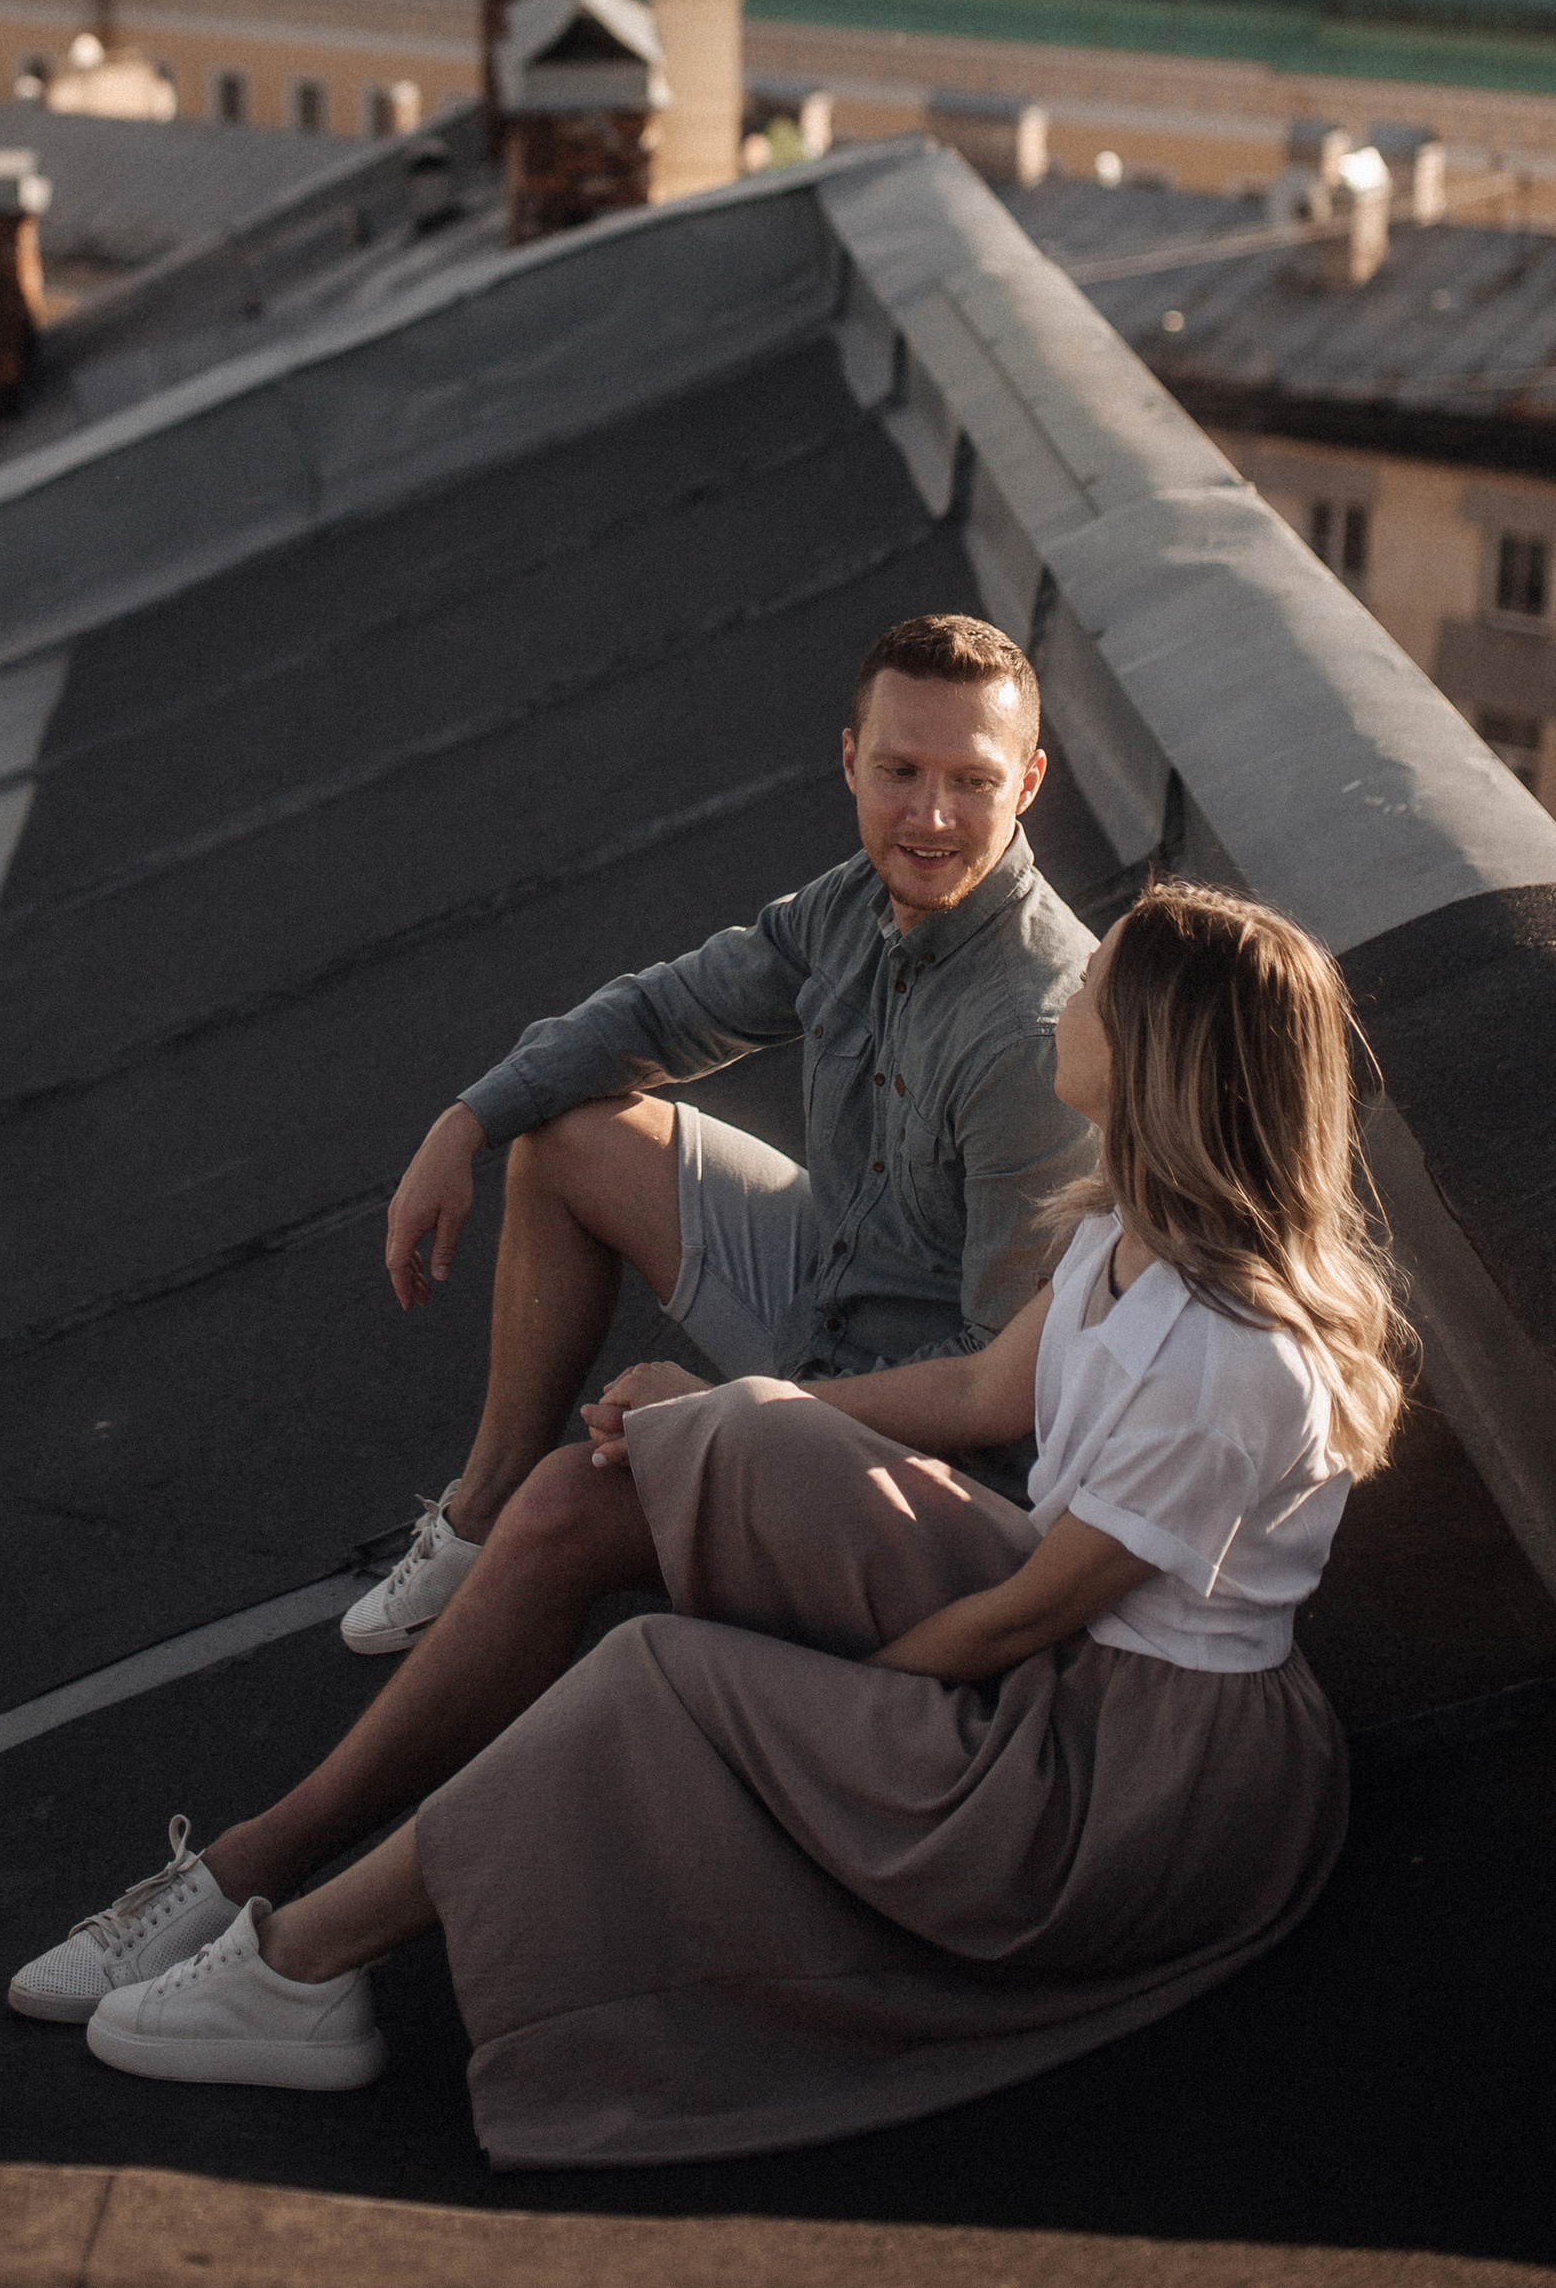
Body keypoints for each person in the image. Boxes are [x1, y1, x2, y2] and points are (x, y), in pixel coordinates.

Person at [39, 883, 1406, 2163]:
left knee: (662, 1682)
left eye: (1095, 997)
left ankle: (306, 1968)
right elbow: (983, 1386)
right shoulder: (1129, 1224)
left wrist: (807, 1708)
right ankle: (247, 1863)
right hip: (1074, 1645)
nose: (1068, 1008)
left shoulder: (1232, 1361)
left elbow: (1030, 1612)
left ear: (1158, 1055)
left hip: (1139, 1779)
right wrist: (731, 1406)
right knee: (691, 1447)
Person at [339, 609, 1095, 1657]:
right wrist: (462, 1119)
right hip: (835, 1282)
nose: (928, 814)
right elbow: (656, 1014)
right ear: (847, 762)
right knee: (559, 1138)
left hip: (937, 1449)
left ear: (1027, 781)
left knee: (580, 1498)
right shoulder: (856, 902)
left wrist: (741, 1412)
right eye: (898, 769)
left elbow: (993, 1390)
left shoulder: (1033, 1033)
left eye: (969, 779)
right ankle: (478, 1514)